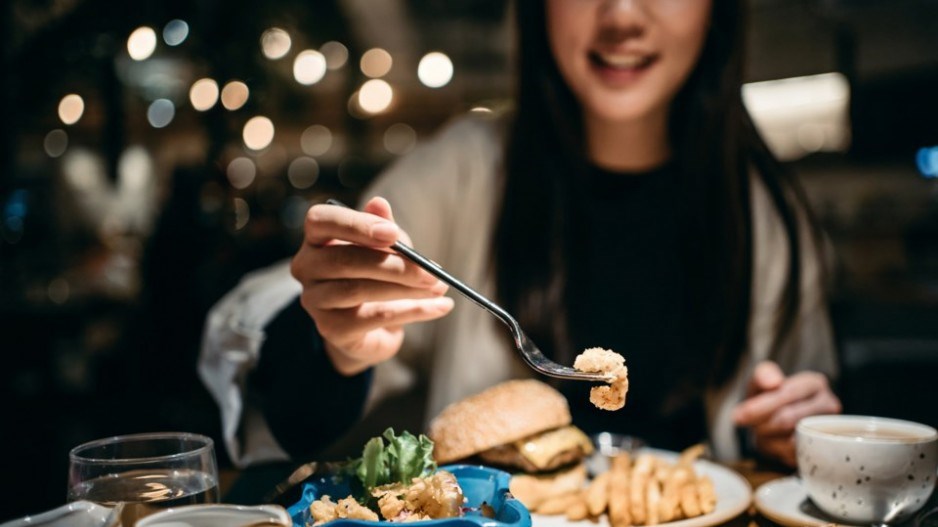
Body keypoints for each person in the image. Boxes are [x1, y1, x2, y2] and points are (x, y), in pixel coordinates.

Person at [199, 0, 841, 470]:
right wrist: (335, 347)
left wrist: (789, 432)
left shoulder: (766, 212)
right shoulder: (467, 169)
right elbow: (291, 399)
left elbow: (793, 425)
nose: (621, 16)